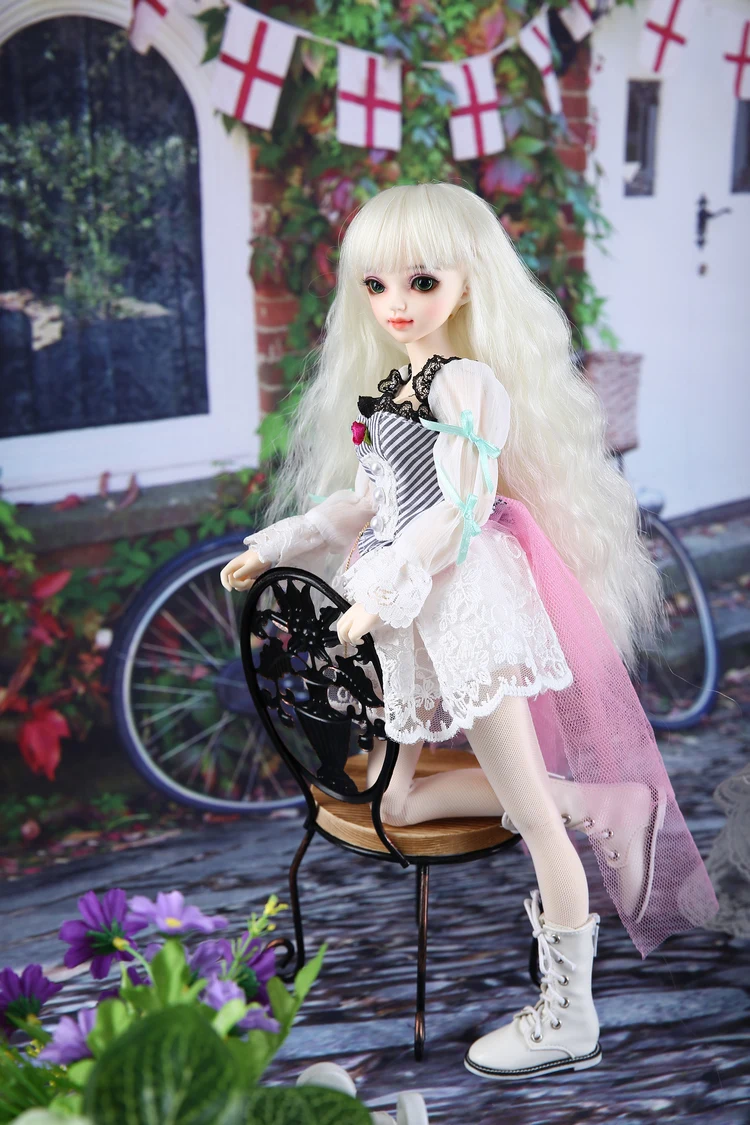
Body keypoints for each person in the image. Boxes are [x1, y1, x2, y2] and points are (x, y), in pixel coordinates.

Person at [221, 182, 718, 1081]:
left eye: (420, 281)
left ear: (466, 282)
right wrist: (278, 544)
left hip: (463, 607)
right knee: (397, 801)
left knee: (531, 817)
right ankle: (599, 803)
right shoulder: (396, 385)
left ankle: (570, 1014)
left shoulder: (466, 385)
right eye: (377, 285)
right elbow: (364, 505)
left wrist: (379, 593)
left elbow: (457, 511)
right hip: (407, 611)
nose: (397, 303)